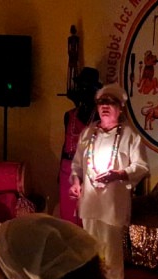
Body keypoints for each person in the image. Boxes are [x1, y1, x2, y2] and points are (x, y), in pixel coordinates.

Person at [69, 83, 150, 279]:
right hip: (90, 205)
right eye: (101, 102)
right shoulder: (88, 133)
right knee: (90, 256)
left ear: (120, 108)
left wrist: (119, 174)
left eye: (110, 102)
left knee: (112, 260)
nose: (104, 106)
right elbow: (76, 164)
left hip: (112, 207)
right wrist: (76, 181)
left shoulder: (130, 136)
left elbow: (141, 167)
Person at [59, 67, 101, 226]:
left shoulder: (98, 118)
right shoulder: (69, 115)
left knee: (86, 217)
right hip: (67, 168)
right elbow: (65, 145)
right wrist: (60, 172)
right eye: (80, 87)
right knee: (68, 215)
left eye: (86, 88)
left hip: (88, 169)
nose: (82, 91)